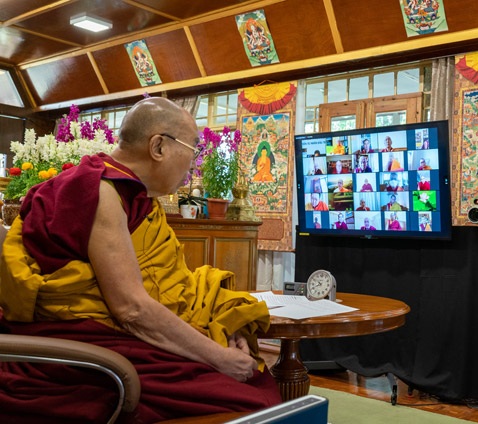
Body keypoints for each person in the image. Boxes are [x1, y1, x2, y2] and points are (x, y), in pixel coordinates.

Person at [0, 97, 281, 422]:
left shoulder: (135, 198)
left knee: (254, 385)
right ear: (159, 146)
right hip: (84, 345)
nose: (193, 163)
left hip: (118, 333)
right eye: (193, 149)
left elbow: (170, 284)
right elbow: (131, 308)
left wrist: (224, 327)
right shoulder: (101, 192)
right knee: (250, 401)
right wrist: (220, 357)